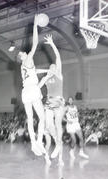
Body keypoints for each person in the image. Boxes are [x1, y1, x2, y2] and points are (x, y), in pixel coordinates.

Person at [17, 14, 46, 156]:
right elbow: (35, 43)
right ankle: (39, 141)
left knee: (30, 118)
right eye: (22, 52)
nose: (24, 51)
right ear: (22, 56)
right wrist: (35, 26)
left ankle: (34, 144)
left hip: (25, 91)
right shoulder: (27, 59)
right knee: (42, 118)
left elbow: (34, 71)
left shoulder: (24, 65)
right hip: (33, 90)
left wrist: (46, 70)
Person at [38, 34, 65, 165]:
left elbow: (58, 57)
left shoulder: (59, 74)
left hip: (58, 100)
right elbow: (38, 86)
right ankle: (57, 143)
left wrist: (52, 44)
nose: (53, 68)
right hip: (49, 101)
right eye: (51, 67)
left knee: (58, 123)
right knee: (49, 124)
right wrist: (42, 78)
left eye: (54, 67)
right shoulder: (47, 78)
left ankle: (59, 146)